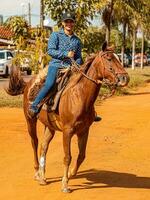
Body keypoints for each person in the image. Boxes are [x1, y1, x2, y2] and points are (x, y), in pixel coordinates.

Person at [28, 12, 101, 121]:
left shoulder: (77, 40)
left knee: (84, 86)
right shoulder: (55, 35)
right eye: (67, 21)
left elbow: (79, 57)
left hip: (72, 68)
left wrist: (78, 64)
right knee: (49, 84)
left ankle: (91, 112)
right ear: (63, 23)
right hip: (56, 65)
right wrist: (65, 54)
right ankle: (34, 105)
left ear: (74, 23)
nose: (69, 24)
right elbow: (50, 51)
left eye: (71, 21)